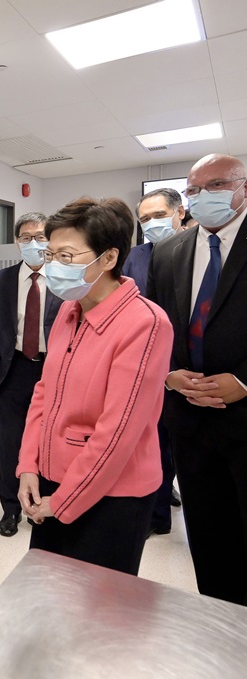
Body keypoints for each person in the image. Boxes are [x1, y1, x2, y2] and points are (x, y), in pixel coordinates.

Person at [17, 197, 172, 574]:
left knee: (99, 613)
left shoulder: (144, 324)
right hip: (54, 479)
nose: (52, 266)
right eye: (49, 254)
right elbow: (44, 394)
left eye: (66, 257)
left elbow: (118, 432)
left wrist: (64, 500)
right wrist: (28, 467)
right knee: (49, 592)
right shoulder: (70, 312)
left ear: (107, 258)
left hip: (113, 496)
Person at [146, 153, 247, 605]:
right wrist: (168, 375)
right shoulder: (168, 252)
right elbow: (157, 328)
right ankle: (219, 620)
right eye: (194, 190)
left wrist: (245, 381)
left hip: (244, 416)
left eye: (217, 185)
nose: (204, 197)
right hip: (189, 423)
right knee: (208, 538)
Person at [0, 212, 63, 537]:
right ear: (17, 242)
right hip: (12, 370)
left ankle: (39, 507)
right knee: (12, 443)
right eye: (26, 237)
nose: (34, 243)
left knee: (46, 443)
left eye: (41, 236)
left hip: (52, 370)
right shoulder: (0, 281)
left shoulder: (62, 278)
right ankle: (10, 509)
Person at [124, 188, 184, 535]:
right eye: (144, 219)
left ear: (179, 213)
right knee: (154, 441)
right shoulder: (136, 256)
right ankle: (156, 515)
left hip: (193, 367)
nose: (151, 224)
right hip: (149, 364)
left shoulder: (196, 250)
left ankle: (168, 488)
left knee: (178, 443)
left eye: (158, 216)